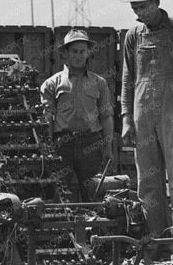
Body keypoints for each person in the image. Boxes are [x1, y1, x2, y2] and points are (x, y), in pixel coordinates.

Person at [120, 0, 173, 234]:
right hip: (143, 117)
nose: (139, 12)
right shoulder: (132, 36)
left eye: (143, 6)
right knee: (147, 184)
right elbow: (127, 81)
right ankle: (155, 240)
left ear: (156, 1)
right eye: (135, 8)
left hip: (172, 114)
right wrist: (126, 118)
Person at [40, 27, 116, 197]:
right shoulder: (52, 84)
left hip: (90, 143)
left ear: (88, 53)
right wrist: (48, 148)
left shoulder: (99, 83)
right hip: (61, 146)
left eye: (82, 51)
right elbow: (47, 119)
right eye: (74, 51)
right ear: (65, 53)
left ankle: (94, 224)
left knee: (94, 193)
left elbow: (106, 117)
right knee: (60, 194)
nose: (78, 55)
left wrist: (108, 147)